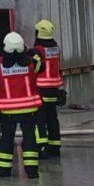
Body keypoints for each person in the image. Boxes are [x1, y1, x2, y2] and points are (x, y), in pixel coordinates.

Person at [0, 31, 43, 179]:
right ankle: (32, 171)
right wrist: (33, 51)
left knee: (6, 138)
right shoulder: (32, 63)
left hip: (7, 111)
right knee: (30, 138)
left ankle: (4, 171)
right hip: (29, 109)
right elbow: (41, 64)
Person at [32, 19, 65, 158]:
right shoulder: (56, 49)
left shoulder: (38, 51)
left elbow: (34, 68)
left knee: (39, 119)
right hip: (54, 89)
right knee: (52, 118)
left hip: (40, 89)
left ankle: (42, 147)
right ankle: (55, 147)